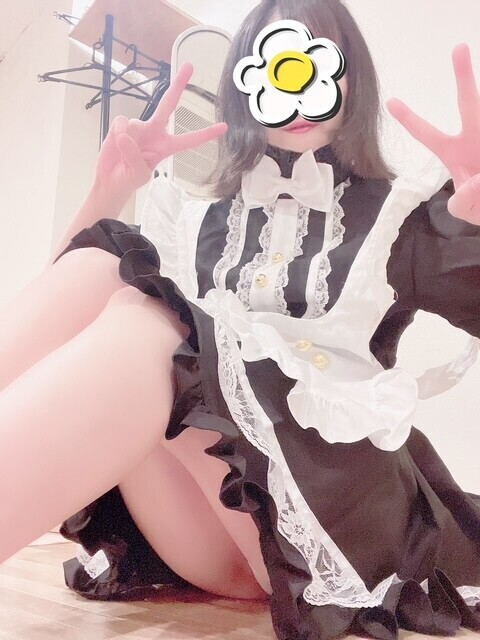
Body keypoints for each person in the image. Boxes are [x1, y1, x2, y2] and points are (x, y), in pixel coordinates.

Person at [1, 0, 480, 638]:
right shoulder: (200, 220)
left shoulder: (399, 217)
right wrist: (109, 191)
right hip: (217, 533)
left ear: (351, 79)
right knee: (104, 269)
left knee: (148, 330)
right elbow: (62, 330)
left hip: (334, 522)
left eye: (316, 60)